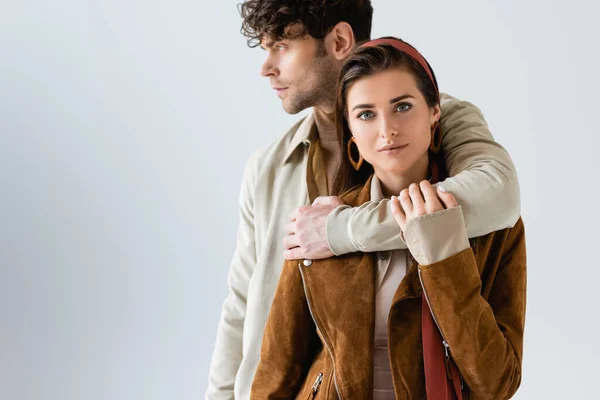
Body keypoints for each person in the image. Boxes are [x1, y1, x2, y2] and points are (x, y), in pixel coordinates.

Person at [206, 2, 521, 399]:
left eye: (282, 45)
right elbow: (242, 304)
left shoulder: (446, 120)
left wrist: (340, 230)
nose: (266, 67)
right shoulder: (269, 168)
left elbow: (499, 192)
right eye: (366, 115)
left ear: (339, 40)